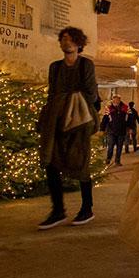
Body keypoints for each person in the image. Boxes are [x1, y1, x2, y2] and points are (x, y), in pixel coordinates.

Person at [37, 27, 99, 230]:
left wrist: (69, 102)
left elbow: (91, 93)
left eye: (70, 39)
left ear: (79, 43)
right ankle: (58, 210)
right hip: (57, 120)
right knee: (51, 163)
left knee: (80, 163)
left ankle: (87, 208)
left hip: (79, 121)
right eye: (63, 39)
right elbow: (52, 94)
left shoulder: (85, 65)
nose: (66, 42)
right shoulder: (55, 67)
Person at [101, 95, 128, 165]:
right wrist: (102, 129)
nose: (115, 101)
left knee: (119, 147)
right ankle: (108, 159)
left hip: (121, 130)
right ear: (112, 101)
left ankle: (117, 161)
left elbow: (129, 118)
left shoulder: (125, 108)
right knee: (110, 146)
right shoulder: (109, 108)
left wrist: (130, 127)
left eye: (117, 100)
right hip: (111, 131)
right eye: (114, 100)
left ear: (119, 100)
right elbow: (105, 119)